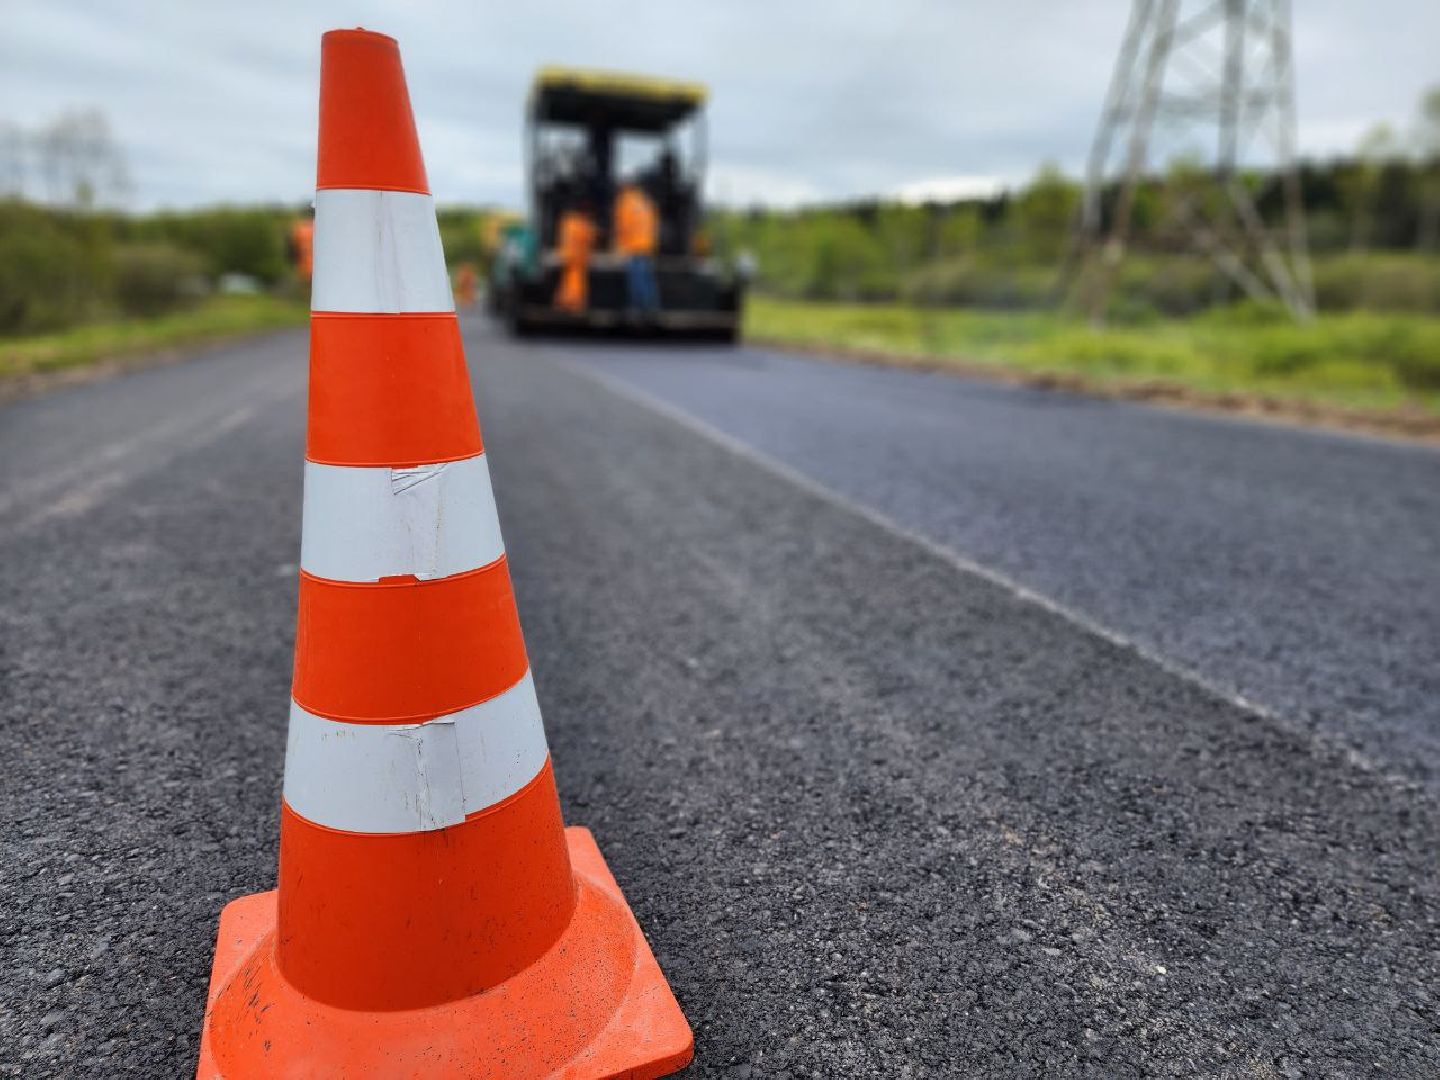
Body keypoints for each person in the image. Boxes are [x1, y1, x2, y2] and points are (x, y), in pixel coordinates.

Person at [613, 182, 660, 314]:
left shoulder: (624, 202)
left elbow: (623, 226)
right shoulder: (646, 202)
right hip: (646, 244)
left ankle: (639, 307)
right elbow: (654, 224)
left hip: (633, 245)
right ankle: (652, 305)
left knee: (635, 277)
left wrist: (620, 247)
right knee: (646, 276)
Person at [553, 201, 596, 313]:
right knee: (576, 282)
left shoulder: (568, 221)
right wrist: (592, 230)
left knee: (566, 281)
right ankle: (574, 304)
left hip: (568, 255)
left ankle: (562, 302)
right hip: (576, 257)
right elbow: (587, 237)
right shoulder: (580, 224)